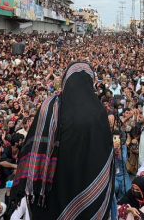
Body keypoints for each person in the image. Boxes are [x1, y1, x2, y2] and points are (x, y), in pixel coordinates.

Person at [10, 62, 114, 219]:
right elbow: (107, 154)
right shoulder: (99, 112)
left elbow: (32, 147)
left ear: (66, 80)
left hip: (53, 189)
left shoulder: (50, 105)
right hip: (89, 188)